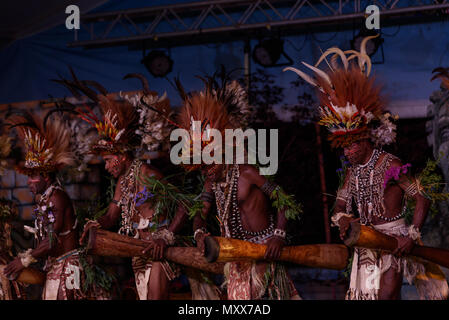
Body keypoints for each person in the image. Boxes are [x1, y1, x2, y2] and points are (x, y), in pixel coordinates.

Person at [285, 35, 448, 300]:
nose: (347, 153)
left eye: (351, 146)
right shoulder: (352, 172)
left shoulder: (391, 165)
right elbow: (339, 206)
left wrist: (412, 234)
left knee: (384, 297)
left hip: (394, 243)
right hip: (365, 245)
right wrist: (345, 219)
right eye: (343, 148)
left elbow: (422, 197)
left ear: (363, 139)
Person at [58, 74, 190, 300]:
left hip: (158, 250)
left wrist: (166, 237)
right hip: (137, 250)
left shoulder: (149, 175)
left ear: (122, 155)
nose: (107, 166)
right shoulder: (123, 182)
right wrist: (94, 225)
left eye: (109, 160)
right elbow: (112, 215)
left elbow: (184, 205)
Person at [176, 78, 301, 300]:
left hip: (263, 249)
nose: (207, 172)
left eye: (210, 165)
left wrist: (278, 236)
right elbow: (199, 213)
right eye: (202, 168)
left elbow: (284, 200)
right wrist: (199, 233)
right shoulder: (211, 182)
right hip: (235, 255)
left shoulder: (246, 172)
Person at [3, 112, 86, 300]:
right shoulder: (44, 198)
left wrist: (23, 261)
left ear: (46, 177)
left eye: (33, 177)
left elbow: (51, 240)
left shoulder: (57, 197)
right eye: (28, 177)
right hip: (55, 264)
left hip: (69, 265)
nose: (29, 182)